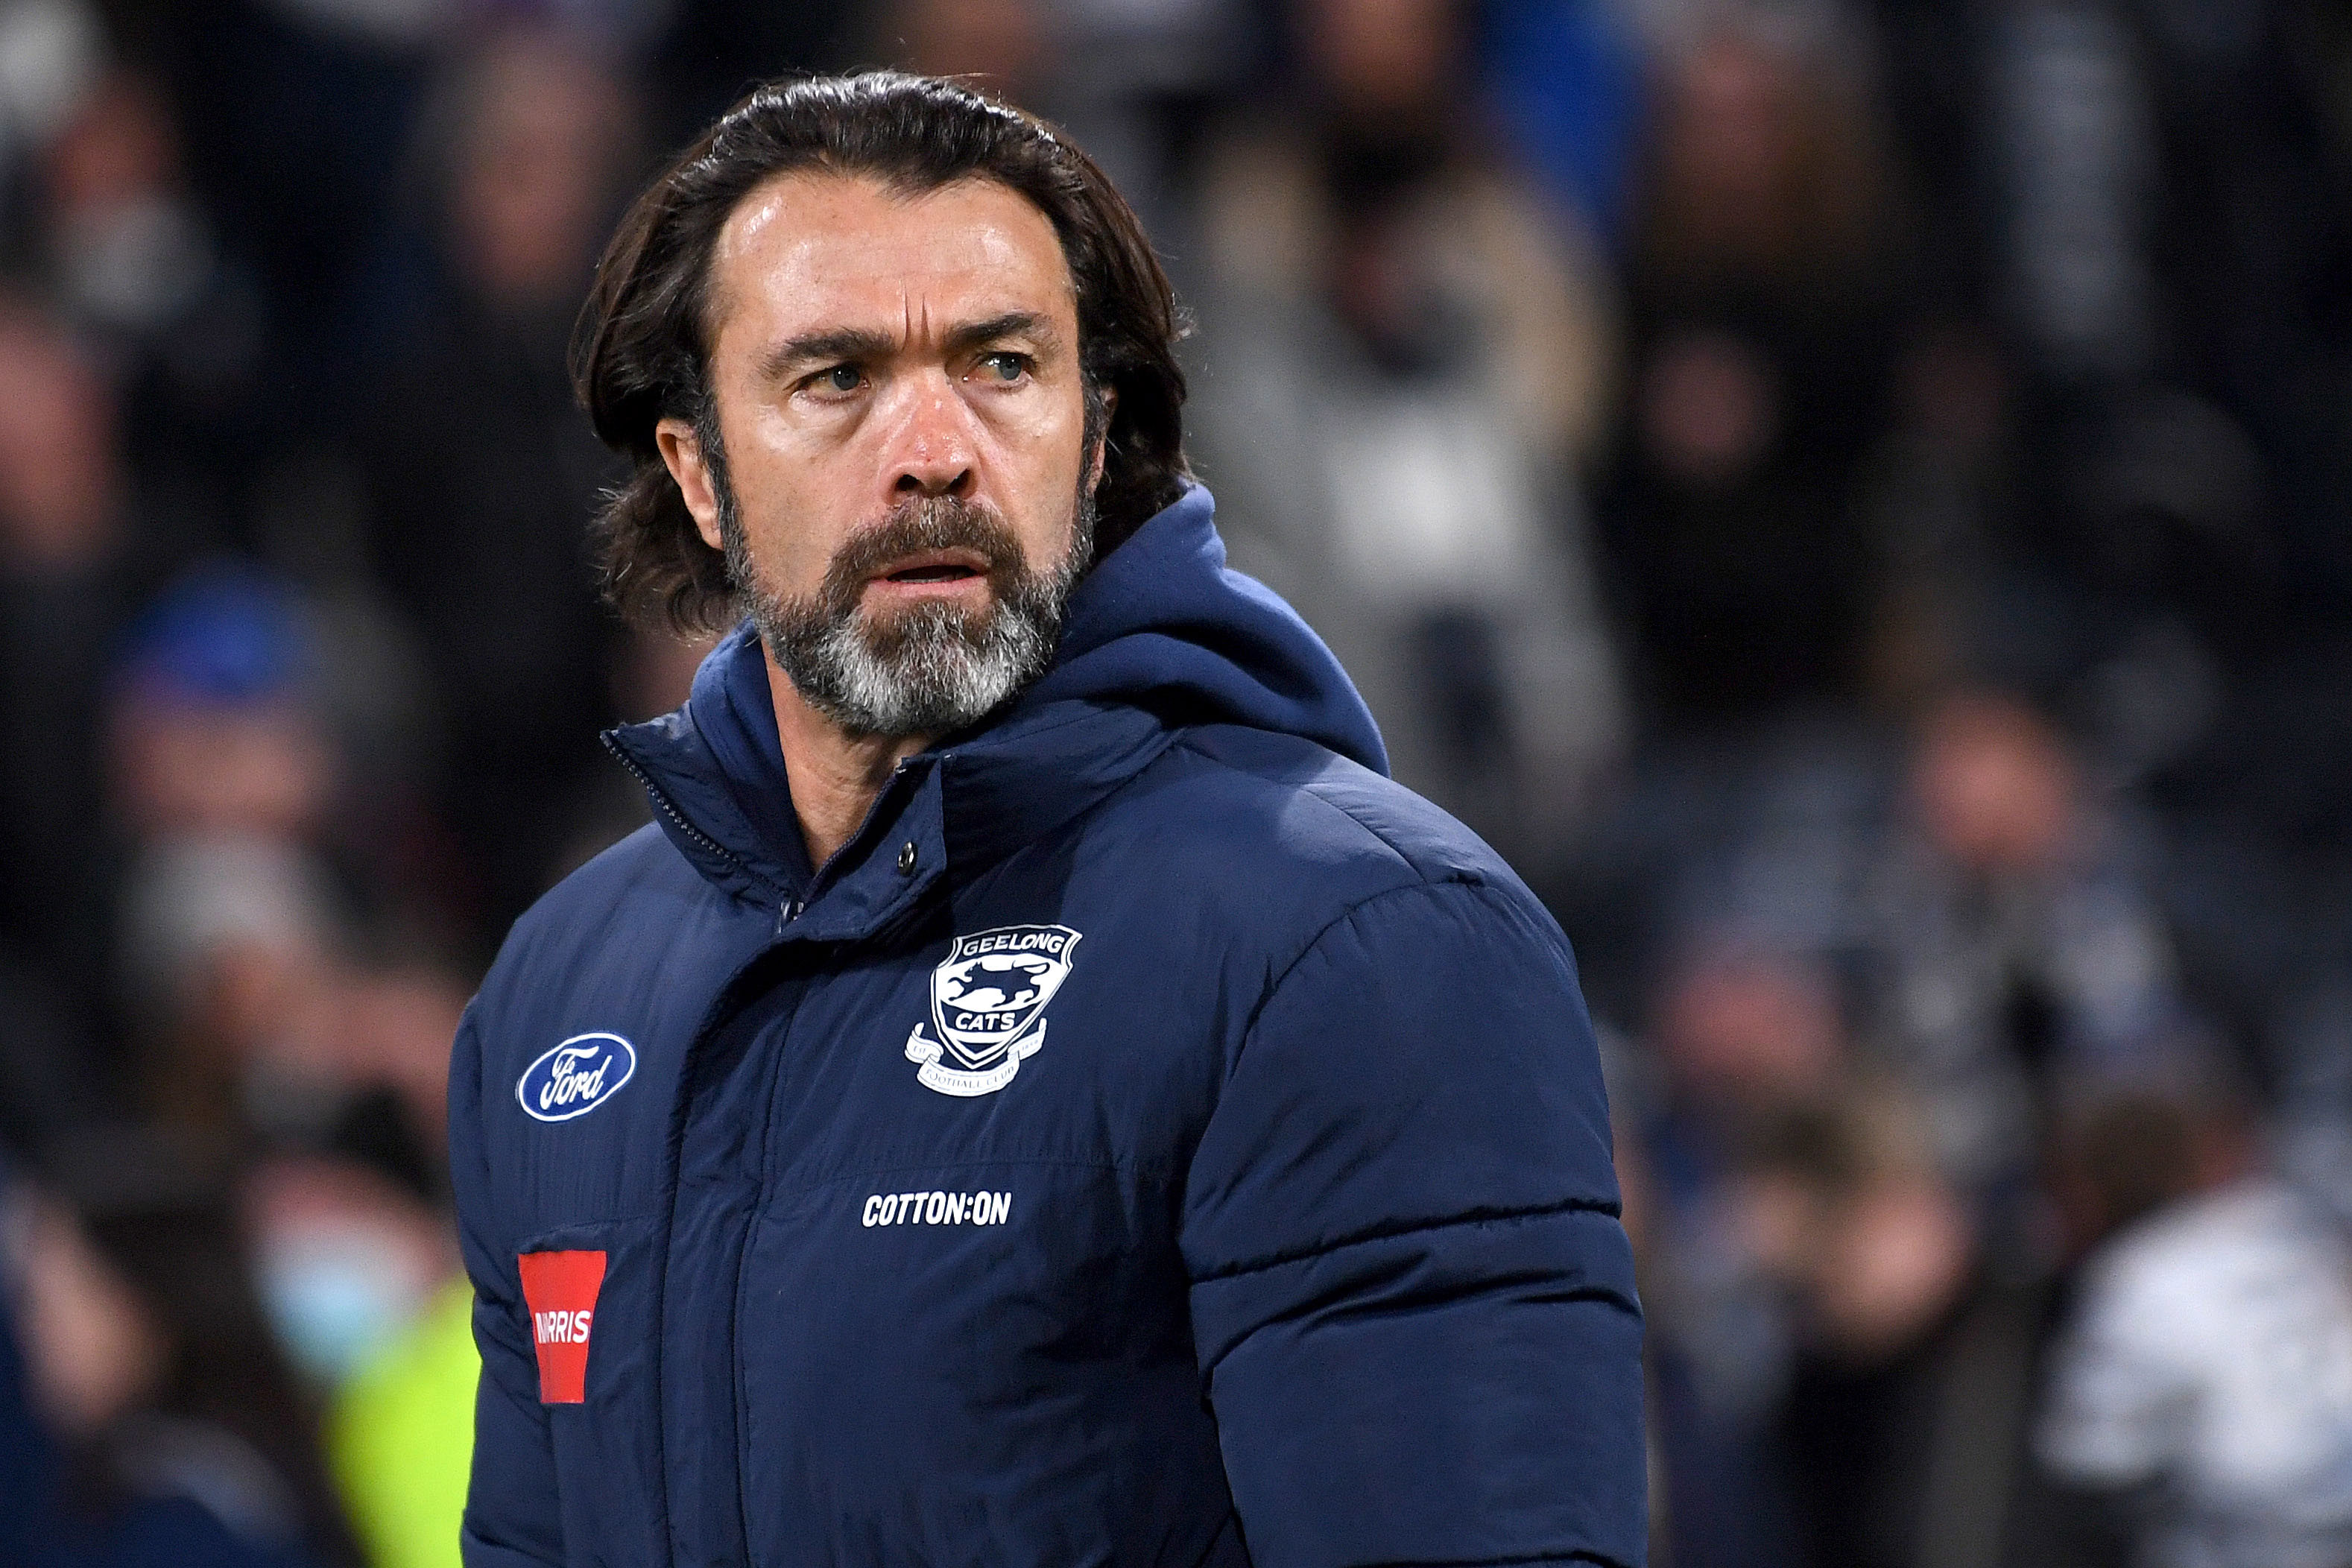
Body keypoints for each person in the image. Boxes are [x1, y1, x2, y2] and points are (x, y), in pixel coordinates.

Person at [447, 72, 1644, 1568]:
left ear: (1094, 439)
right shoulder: (563, 992)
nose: (935, 447)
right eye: (836, 378)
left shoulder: (1362, 944)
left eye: (1003, 365)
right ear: (697, 471)